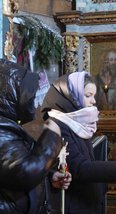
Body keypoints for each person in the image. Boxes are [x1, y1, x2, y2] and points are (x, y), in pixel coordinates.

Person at [41, 71, 116, 214]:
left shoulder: (77, 121)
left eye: (93, 95)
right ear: (72, 96)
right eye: (88, 96)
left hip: (89, 200)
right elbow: (78, 167)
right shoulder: (57, 124)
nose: (94, 101)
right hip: (74, 203)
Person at [0, 59, 71, 214]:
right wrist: (52, 136)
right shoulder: (1, 129)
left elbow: (13, 167)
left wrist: (50, 177)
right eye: (29, 95)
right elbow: (24, 173)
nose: (33, 102)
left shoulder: (7, 125)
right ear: (11, 94)